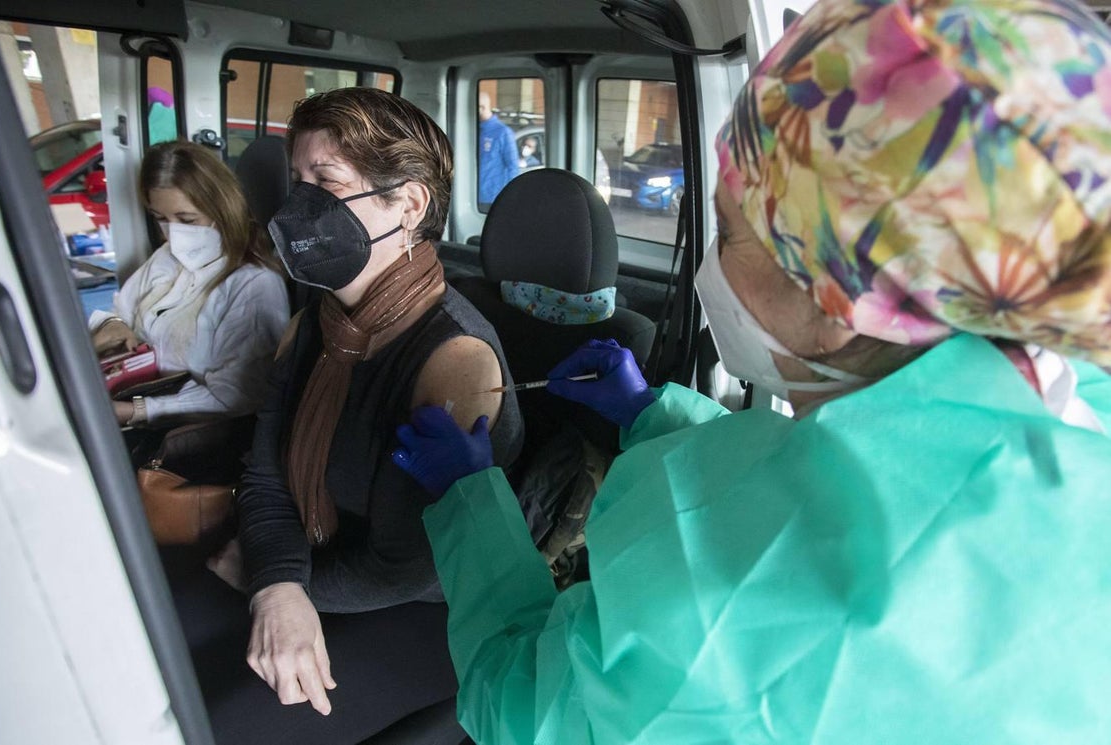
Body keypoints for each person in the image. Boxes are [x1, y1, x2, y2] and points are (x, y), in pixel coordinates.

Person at [392, 0, 1111, 741]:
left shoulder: (716, 609)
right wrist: (652, 413)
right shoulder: (1075, 400)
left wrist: (470, 508)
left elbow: (522, 705)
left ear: (844, 297)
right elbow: (835, 474)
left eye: (731, 230)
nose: (712, 264)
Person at [205, 87, 523, 744]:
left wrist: (282, 585)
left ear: (407, 205)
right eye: (298, 180)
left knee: (216, 724)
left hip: (426, 610)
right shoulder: (311, 326)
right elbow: (265, 479)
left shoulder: (455, 361)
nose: (299, 206)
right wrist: (276, 585)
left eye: (326, 181)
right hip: (316, 569)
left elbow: (412, 564)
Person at [88, 140, 288, 427]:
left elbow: (239, 394)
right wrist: (114, 324)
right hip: (130, 397)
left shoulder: (254, 284)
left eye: (187, 219)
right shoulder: (165, 259)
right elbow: (123, 308)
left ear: (221, 209)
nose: (174, 234)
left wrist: (137, 411)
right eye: (161, 219)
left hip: (185, 431)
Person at [477, 91, 519, 206]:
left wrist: (508, 197)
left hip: (493, 198)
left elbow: (513, 167)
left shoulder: (503, 132)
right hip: (471, 195)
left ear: (482, 107)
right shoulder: (473, 129)